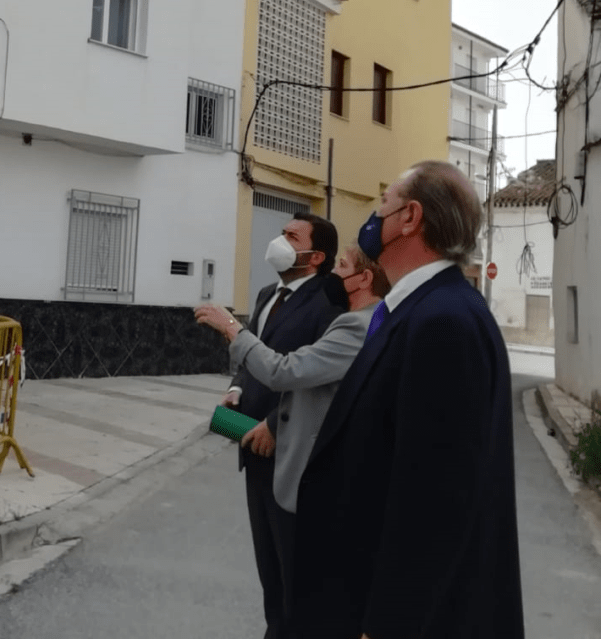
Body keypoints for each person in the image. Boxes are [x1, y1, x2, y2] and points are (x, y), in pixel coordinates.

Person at [292, 161, 524, 639]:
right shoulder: (420, 309)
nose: (373, 218)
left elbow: (436, 498)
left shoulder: (443, 322)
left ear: (410, 217)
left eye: (382, 204)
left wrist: (387, 624)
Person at [196, 244, 389, 633]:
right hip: (274, 451)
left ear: (364, 278)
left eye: (343, 267)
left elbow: (289, 371)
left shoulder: (356, 324)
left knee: (298, 594)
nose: (335, 273)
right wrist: (238, 392)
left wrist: (233, 329)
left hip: (302, 470)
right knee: (279, 585)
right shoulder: (275, 296)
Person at [219, 213, 344, 639]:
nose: (280, 241)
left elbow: (312, 376)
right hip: (248, 442)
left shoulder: (328, 306)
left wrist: (274, 423)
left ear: (315, 256)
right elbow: (251, 352)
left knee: (294, 567)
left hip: (287, 448)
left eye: (292, 236)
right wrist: (236, 392)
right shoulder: (267, 294)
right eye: (283, 233)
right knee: (268, 567)